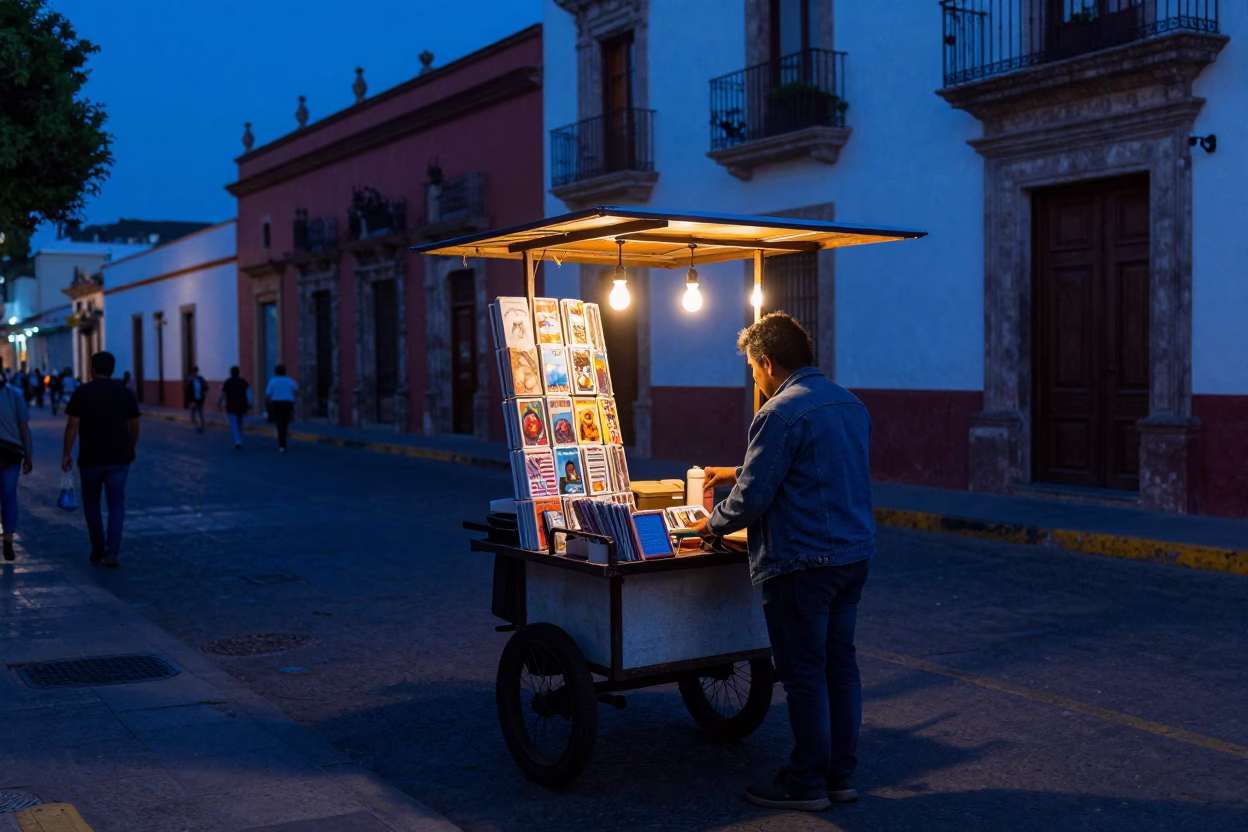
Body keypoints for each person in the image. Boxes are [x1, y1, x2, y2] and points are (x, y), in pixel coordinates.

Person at [688, 312, 875, 813]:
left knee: (804, 674)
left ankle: (806, 781)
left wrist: (707, 526)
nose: (756, 380)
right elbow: (812, 468)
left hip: (802, 562)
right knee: (840, 667)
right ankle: (840, 776)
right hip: (852, 557)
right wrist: (735, 468)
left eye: (754, 371)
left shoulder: (779, 412)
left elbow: (751, 500)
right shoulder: (849, 403)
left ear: (768, 363)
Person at [62, 352, 141, 568]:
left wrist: (66, 453)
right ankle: (112, 551)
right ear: (112, 369)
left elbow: (73, 424)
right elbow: (134, 424)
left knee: (92, 504)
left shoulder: (82, 392)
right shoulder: (125, 393)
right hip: (119, 458)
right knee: (117, 505)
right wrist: (132, 446)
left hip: (91, 459)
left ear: (93, 369)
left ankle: (97, 546)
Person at [0, 368, 34, 561]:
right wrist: (29, 455)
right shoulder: (14, 395)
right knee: (9, 498)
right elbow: (24, 428)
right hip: (11, 454)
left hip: (10, 455)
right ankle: (8, 541)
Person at [264, 364, 298, 453]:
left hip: (276, 403)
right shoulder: (289, 380)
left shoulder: (273, 381)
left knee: (279, 422)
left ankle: (281, 443)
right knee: (285, 421)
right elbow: (296, 389)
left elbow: (268, 394)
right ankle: (284, 440)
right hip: (287, 402)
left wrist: (267, 404)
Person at [219, 366, 252, 449]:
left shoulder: (227, 382)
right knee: (240, 423)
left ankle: (238, 441)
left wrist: (220, 402)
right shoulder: (243, 382)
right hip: (242, 405)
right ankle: (239, 439)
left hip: (231, 405)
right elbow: (248, 394)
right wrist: (249, 404)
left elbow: (223, 394)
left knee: (234, 424)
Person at [184, 366, 208, 433]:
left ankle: (201, 425)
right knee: (194, 413)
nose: (195, 373)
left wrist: (204, 393)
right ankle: (197, 426)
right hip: (193, 399)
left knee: (199, 412)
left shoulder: (200, 379)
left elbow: (205, 387)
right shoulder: (191, 380)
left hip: (199, 399)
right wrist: (189, 401)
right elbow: (187, 391)